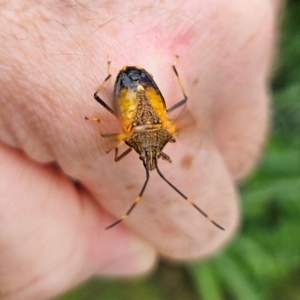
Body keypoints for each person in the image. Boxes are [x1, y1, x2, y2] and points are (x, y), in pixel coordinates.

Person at [0, 1, 282, 299]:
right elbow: (114, 136)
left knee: (170, 102)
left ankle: (120, 74)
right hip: (135, 96)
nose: (151, 161)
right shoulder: (131, 140)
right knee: (109, 104)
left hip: (129, 88)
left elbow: (181, 109)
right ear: (162, 153)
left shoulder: (159, 134)